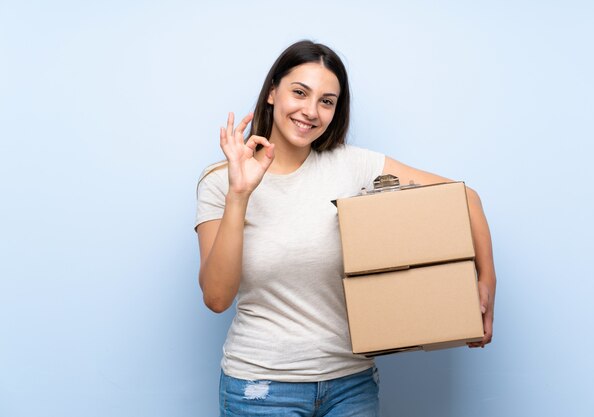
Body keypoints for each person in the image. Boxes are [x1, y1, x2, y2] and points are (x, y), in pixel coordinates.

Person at [195, 40, 496, 416]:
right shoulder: (221, 182)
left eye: (326, 100)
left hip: (351, 385)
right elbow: (217, 298)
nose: (310, 111)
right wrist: (239, 194)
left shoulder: (355, 167)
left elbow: (465, 199)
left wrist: (486, 283)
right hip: (261, 387)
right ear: (272, 92)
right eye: (300, 93)